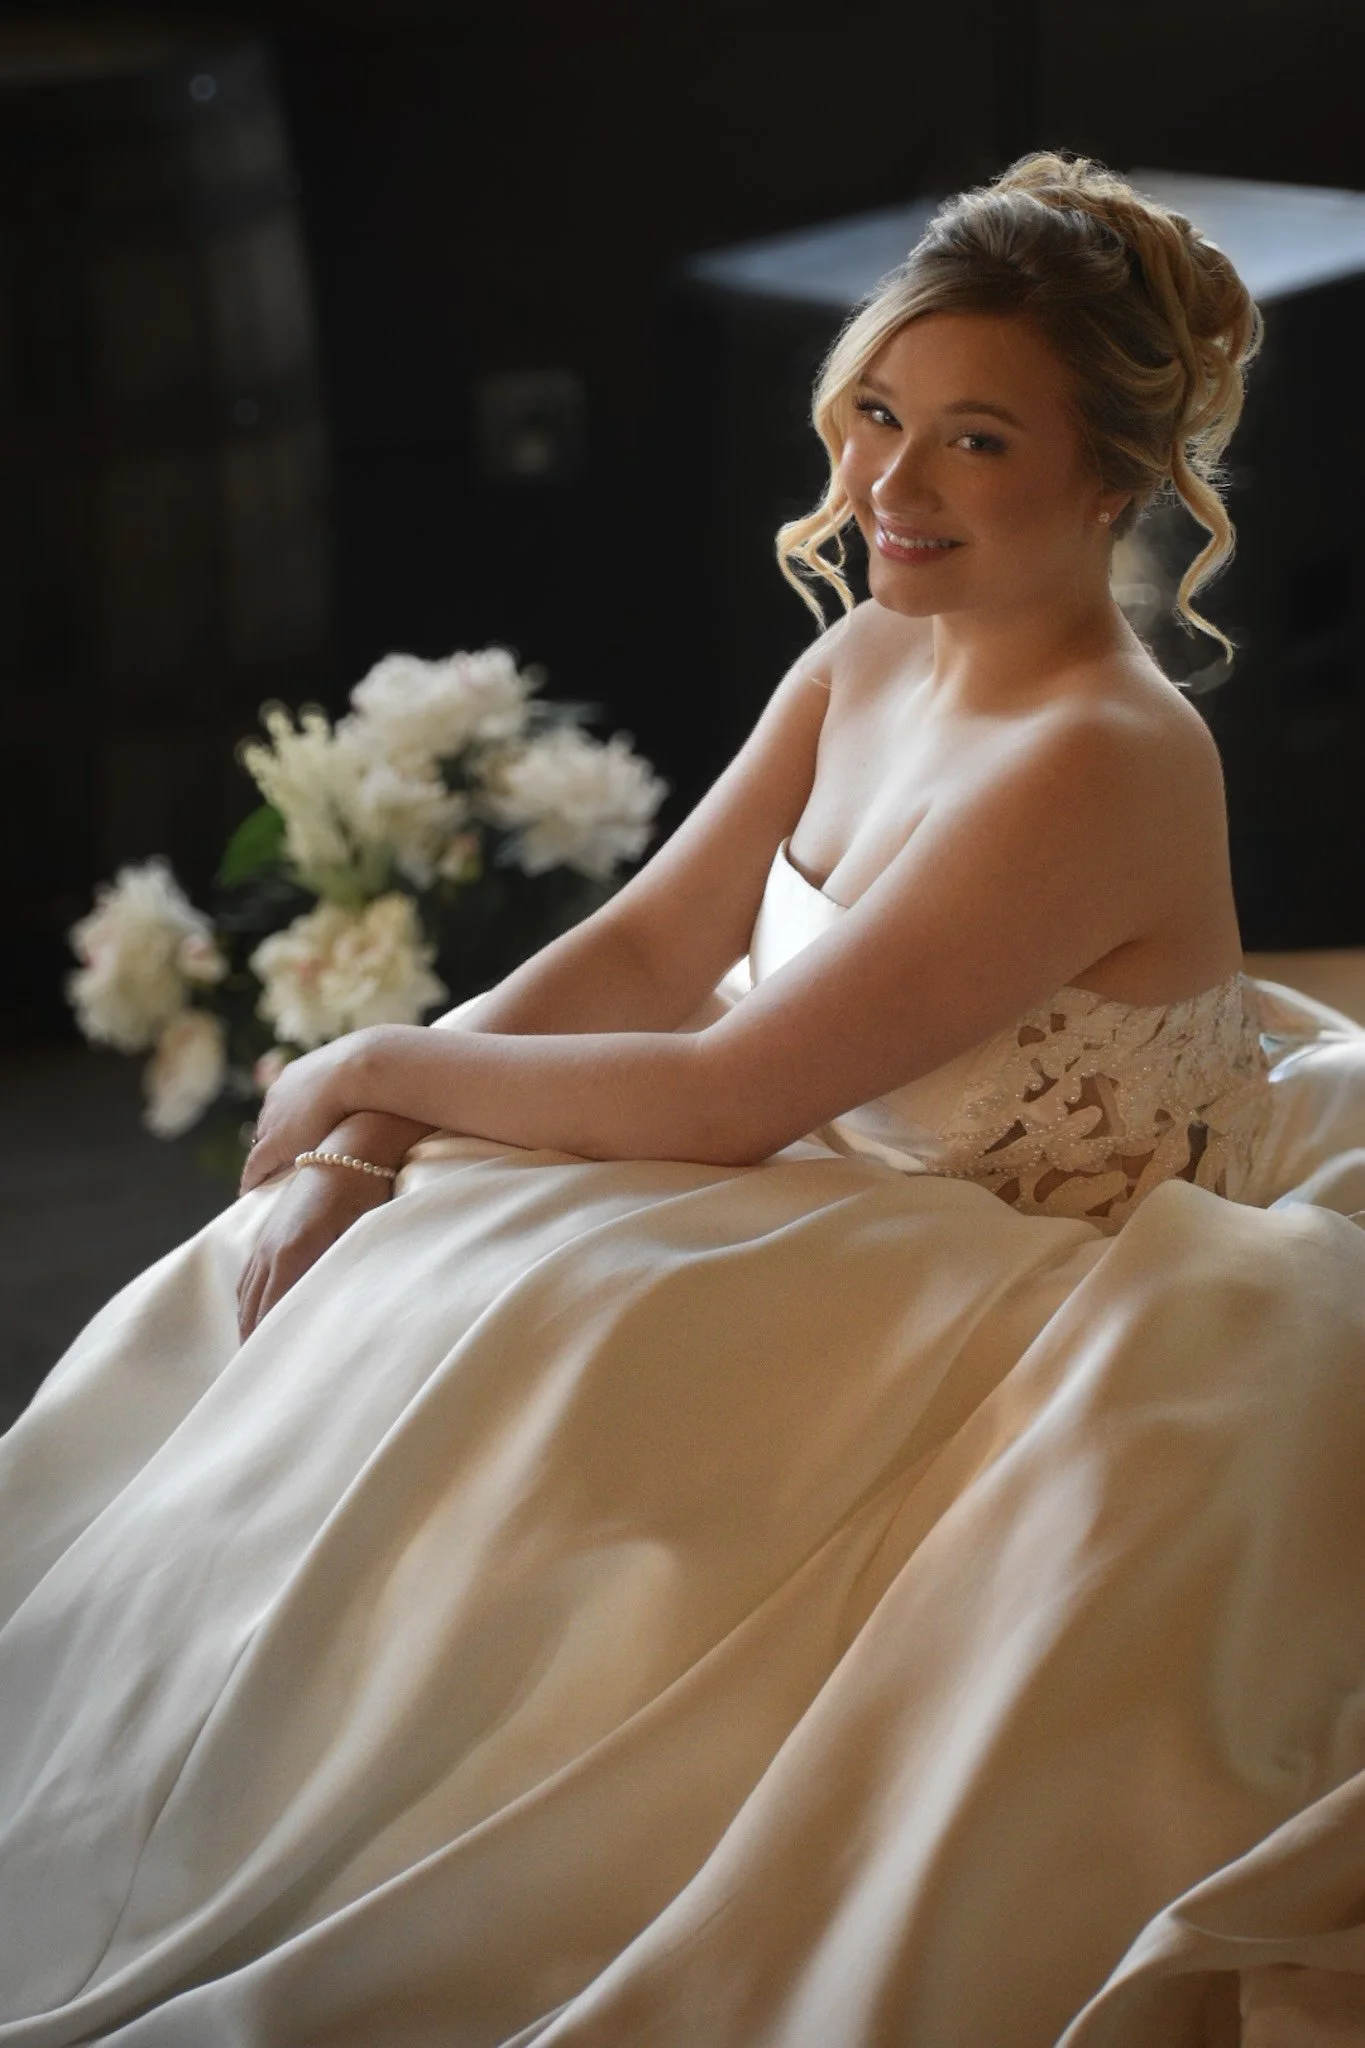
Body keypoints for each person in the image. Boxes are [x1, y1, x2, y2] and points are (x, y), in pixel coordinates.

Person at [3, 151, 1365, 2048]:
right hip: (836, 1161)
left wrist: (368, 1062)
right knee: (372, 1258)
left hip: (1044, 1265)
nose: (889, 485)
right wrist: (373, 1144)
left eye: (975, 442)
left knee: (550, 1351)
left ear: (1112, 480)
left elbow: (726, 1091)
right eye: (879, 415)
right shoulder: (869, 651)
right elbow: (650, 957)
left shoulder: (1107, 757)